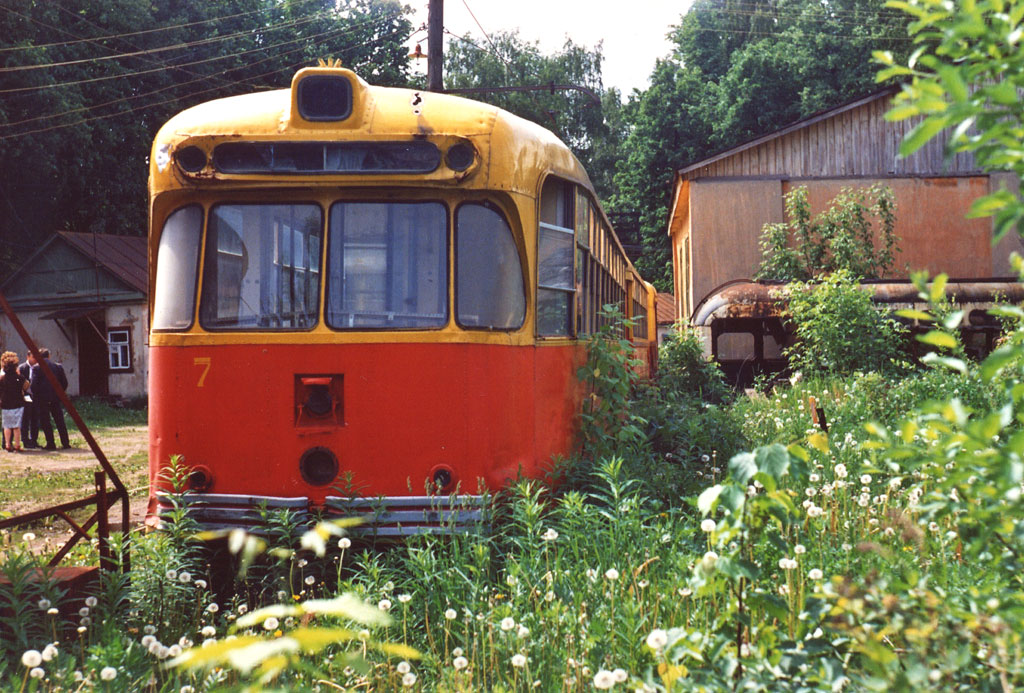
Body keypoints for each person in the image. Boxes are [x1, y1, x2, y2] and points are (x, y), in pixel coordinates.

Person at [31, 348, 70, 450]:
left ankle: (51, 443)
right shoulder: (58, 367)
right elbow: (64, 383)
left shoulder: (36, 368)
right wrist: (59, 393)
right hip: (56, 398)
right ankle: (65, 443)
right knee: (59, 420)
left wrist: (38, 396)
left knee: (45, 421)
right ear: (49, 356)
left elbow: (34, 385)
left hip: (42, 399)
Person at [0, 351, 30, 452]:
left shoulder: (2, 379)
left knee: (7, 426)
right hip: (18, 403)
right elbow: (27, 385)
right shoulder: (19, 378)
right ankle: (17, 445)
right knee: (16, 426)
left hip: (5, 404)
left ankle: (8, 444)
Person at [18, 353, 37, 448]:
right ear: (28, 357)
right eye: (34, 357)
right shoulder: (22, 368)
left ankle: (34, 439)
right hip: (25, 397)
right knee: (25, 419)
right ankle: (25, 439)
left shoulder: (38, 368)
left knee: (35, 419)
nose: (35, 359)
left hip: (36, 397)